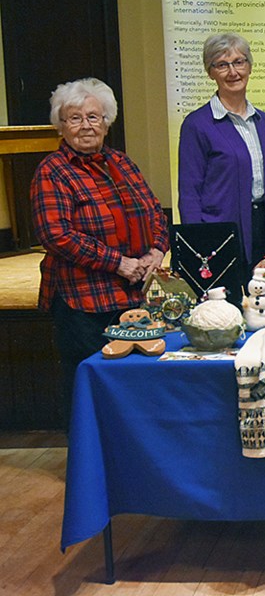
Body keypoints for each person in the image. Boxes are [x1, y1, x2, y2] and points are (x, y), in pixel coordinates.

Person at [30, 78, 169, 424]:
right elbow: (56, 234)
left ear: (107, 122)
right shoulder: (52, 171)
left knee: (132, 392)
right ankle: (88, 468)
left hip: (132, 297)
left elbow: (154, 211)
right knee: (89, 393)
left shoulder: (122, 162)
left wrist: (156, 251)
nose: (86, 126)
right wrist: (119, 263)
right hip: (83, 303)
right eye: (74, 118)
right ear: (60, 126)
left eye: (94, 117)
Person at [178, 32, 265, 270]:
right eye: (222, 65)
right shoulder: (197, 124)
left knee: (263, 300)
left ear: (250, 67)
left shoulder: (264, 122)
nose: (233, 72)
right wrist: (198, 242)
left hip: (264, 227)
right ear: (210, 72)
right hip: (220, 232)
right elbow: (190, 192)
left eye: (239, 62)